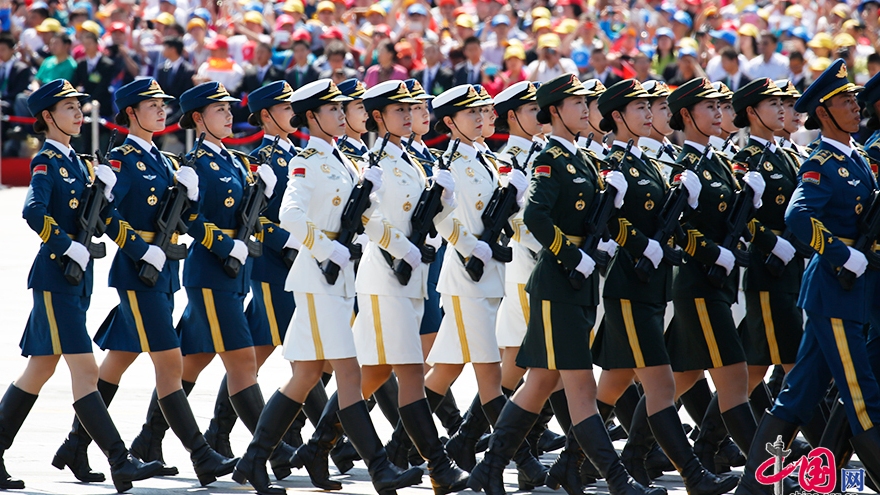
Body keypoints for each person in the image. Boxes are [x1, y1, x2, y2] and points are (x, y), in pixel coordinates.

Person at [465, 74, 660, 495]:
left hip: (579, 284)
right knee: (581, 387)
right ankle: (618, 480)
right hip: (559, 281)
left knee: (538, 383)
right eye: (578, 104)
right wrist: (574, 255)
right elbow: (535, 217)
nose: (588, 110)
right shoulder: (550, 158)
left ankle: (490, 468)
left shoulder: (585, 159)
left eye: (589, 103)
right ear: (554, 111)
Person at [231, 79, 424, 495]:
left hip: (338, 277)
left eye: (342, 109)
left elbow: (364, 215)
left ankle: (253, 460)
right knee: (349, 374)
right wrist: (325, 248)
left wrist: (387, 236)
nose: (341, 114)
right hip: (319, 277)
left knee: (303, 377)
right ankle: (380, 469)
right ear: (312, 117)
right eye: (332, 110)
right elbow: (290, 215)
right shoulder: (306, 162)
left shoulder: (345, 159)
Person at [51, 77, 238, 486]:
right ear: (131, 112)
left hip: (164, 269)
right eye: (151, 104)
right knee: (170, 364)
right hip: (140, 272)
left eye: (163, 104)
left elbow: (184, 218)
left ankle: (75, 445)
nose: (160, 110)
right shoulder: (120, 159)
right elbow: (106, 218)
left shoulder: (167, 160)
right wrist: (139, 250)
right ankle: (202, 455)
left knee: (117, 362)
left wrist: (189, 199)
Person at [127, 81, 296, 482]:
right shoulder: (195, 163)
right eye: (220, 110)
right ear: (199, 119)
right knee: (243, 361)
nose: (230, 115)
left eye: (229, 109)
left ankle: (150, 439)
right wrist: (223, 245)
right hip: (211, 271)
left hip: (236, 274)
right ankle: (269, 450)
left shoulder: (237, 161)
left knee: (194, 359)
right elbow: (188, 218)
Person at [10, 79, 163, 492]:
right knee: (86, 370)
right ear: (46, 117)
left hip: (76, 279)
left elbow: (103, 218)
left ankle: (70, 450)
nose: (78, 113)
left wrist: (137, 246)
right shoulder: (46, 161)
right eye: (68, 107)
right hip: (57, 275)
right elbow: (33, 211)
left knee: (38, 371)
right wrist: (65, 247)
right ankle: (120, 458)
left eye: (80, 106)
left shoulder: (80, 163)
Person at [737, 58, 880, 495]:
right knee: (862, 395)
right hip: (836, 289)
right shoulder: (822, 160)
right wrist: (841, 254)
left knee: (797, 395)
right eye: (845, 100)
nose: (856, 106)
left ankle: (754, 487)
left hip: (847, 292)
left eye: (855, 98)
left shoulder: (854, 157)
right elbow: (798, 216)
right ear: (823, 112)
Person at [592, 79, 739, 495]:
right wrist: (644, 245)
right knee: (660, 384)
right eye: (640, 108)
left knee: (615, 382)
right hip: (626, 281)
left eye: (650, 106)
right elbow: (609, 222)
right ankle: (694, 475)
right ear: (618, 116)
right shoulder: (612, 163)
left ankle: (573, 461)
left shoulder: (648, 163)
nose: (650, 114)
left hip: (653, 285)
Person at [422, 84, 545, 492]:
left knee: (443, 373)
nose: (481, 119)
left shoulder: (488, 161)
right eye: (471, 114)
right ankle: (519, 462)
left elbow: (505, 218)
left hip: (490, 275)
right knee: (491, 375)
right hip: (465, 279)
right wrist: (468, 244)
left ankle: (399, 447)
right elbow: (440, 215)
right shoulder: (452, 162)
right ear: (450, 122)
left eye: (483, 112)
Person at [199, 80, 330, 464]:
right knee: (295, 354)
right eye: (284, 107)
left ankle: (222, 430)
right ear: (267, 115)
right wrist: (289, 243)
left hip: (300, 265)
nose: (293, 112)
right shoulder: (261, 158)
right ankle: (321, 440)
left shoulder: (300, 153)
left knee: (257, 353)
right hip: (274, 266)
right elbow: (256, 218)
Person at [350, 79, 469, 493]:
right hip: (385, 276)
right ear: (378, 116)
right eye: (398, 110)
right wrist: (401, 246)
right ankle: (439, 467)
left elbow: (429, 214)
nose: (407, 115)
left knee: (372, 374)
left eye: (411, 108)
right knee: (410, 371)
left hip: (412, 277)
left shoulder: (416, 158)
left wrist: (448, 201)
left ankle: (317, 445)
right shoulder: (374, 160)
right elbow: (366, 217)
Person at [664, 77, 765, 472]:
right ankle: (766, 474)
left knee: (680, 379)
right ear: (687, 115)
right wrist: (714, 253)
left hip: (719, 283)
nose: (720, 113)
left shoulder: (719, 162)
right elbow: (675, 227)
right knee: (735, 378)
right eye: (710, 108)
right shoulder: (683, 166)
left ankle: (636, 452)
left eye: (721, 107)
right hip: (698, 281)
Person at [773, 80, 807, 159]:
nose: (797, 112)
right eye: (791, 105)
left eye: (797, 106)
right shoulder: (769, 153)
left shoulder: (803, 152)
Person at [709, 82, 739, 159]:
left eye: (734, 105)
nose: (735, 113)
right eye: (727, 107)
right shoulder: (711, 153)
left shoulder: (733, 148)